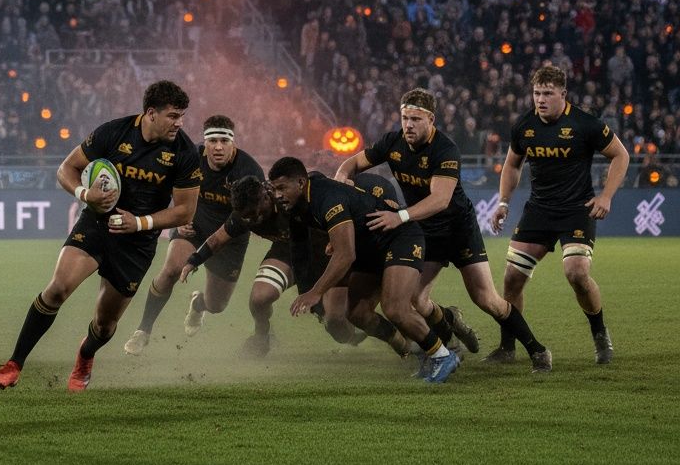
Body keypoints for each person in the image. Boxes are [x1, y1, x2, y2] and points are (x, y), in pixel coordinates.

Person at [0, 80, 201, 392]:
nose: (179, 123)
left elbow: (185, 211)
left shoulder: (183, 151)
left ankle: (85, 355)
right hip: (97, 225)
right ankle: (14, 364)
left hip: (138, 242)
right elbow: (66, 168)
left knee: (104, 324)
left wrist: (139, 223)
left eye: (182, 116)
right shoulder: (114, 132)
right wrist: (84, 194)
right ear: (150, 113)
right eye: (173, 116)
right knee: (58, 289)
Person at [338, 88, 552, 374]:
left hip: (458, 229)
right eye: (404, 118)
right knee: (414, 299)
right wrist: (342, 176)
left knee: (486, 299)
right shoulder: (393, 142)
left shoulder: (445, 149)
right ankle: (449, 333)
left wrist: (399, 216)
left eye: (415, 119)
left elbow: (440, 200)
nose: (408, 125)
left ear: (431, 119)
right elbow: (353, 162)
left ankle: (537, 350)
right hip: (425, 231)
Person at [271, 157, 462, 384]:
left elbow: (345, 255)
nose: (278, 195)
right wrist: (307, 291)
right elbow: (300, 251)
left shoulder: (327, 198)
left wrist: (316, 292)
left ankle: (442, 356)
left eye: (282, 188)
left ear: (301, 183)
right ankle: (423, 352)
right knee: (357, 313)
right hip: (370, 249)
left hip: (399, 239)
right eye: (274, 189)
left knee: (395, 308)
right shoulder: (296, 208)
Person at [489, 66, 630, 365]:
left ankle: (600, 333)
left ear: (563, 95)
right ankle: (507, 347)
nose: (541, 99)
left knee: (577, 274)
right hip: (539, 209)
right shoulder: (524, 126)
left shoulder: (585, 123)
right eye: (537, 93)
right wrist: (503, 202)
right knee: (512, 278)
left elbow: (621, 154)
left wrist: (605, 196)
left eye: (548, 94)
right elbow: (512, 164)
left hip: (576, 210)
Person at [194, 172, 411, 358]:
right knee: (259, 298)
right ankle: (261, 336)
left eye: (258, 211)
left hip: (326, 255)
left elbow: (321, 187)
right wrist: (192, 261)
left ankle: (381, 336)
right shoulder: (246, 212)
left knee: (337, 323)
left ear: (266, 193)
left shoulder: (294, 196)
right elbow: (217, 239)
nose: (255, 219)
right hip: (288, 253)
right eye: (249, 216)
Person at [121, 115, 264, 355]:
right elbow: (163, 187)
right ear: (204, 142)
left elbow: (246, 217)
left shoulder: (249, 171)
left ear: (233, 143)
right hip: (193, 228)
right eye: (212, 140)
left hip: (230, 238)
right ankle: (143, 331)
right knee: (170, 270)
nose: (218, 147)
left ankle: (198, 304)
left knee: (217, 305)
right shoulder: (190, 158)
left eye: (224, 141)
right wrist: (175, 220)